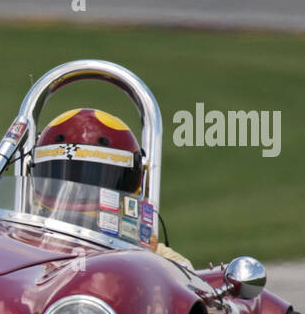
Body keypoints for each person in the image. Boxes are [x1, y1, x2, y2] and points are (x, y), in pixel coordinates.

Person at [29, 107, 191, 267]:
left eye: (95, 178)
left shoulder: (166, 261)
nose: (76, 192)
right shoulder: (21, 243)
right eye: (59, 176)